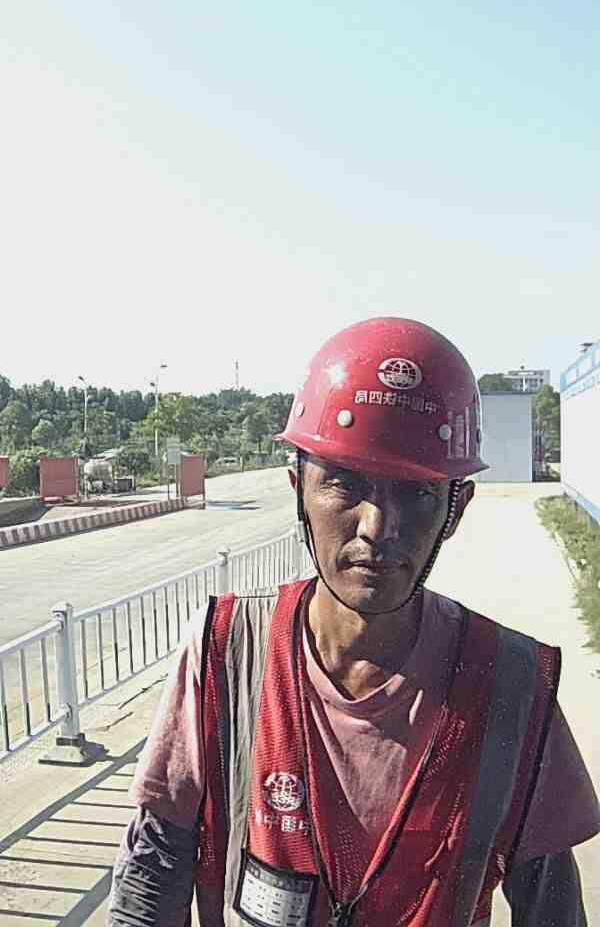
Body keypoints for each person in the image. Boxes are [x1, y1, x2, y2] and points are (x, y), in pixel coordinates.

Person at [108, 317, 599, 927]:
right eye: (344, 483)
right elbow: (153, 871)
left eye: (416, 493)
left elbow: (552, 907)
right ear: (298, 490)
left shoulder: (510, 684)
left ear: (455, 509)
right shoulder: (226, 653)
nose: (376, 527)